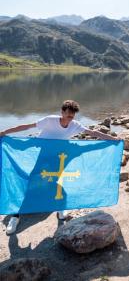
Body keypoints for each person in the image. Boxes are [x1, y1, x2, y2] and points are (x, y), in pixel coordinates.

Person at [0, 100, 118, 235]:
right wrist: (4, 131)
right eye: (68, 115)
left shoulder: (74, 125)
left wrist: (113, 139)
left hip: (60, 156)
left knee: (58, 181)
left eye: (72, 116)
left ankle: (60, 208)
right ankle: (15, 216)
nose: (69, 119)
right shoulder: (50, 120)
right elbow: (27, 126)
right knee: (31, 181)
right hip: (42, 154)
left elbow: (93, 133)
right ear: (62, 112)